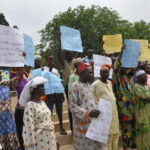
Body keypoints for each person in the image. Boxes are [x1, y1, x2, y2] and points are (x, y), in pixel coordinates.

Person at [68, 62, 106, 150]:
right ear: (82, 73)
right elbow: (72, 107)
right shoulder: (74, 86)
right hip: (82, 126)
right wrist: (88, 113)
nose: (92, 75)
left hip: (93, 124)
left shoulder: (89, 86)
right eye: (90, 72)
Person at [19, 76, 57, 150]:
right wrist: (30, 146)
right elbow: (28, 127)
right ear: (34, 89)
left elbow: (49, 121)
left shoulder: (43, 102)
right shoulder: (30, 105)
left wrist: (55, 140)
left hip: (50, 138)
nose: (44, 88)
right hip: (39, 141)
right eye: (41, 87)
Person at [91, 64, 119, 150]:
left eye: (107, 73)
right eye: (104, 73)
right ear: (100, 73)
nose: (106, 74)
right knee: (108, 137)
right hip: (104, 113)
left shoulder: (110, 82)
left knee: (115, 135)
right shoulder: (95, 84)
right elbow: (92, 98)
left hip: (114, 112)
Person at [113, 58, 136, 150]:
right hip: (124, 112)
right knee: (126, 133)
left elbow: (133, 68)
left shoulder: (126, 77)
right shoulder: (116, 79)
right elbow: (116, 67)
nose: (125, 68)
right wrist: (122, 54)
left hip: (132, 110)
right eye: (122, 67)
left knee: (133, 132)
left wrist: (134, 56)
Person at [0, 71, 20, 150]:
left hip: (8, 120)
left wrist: (18, 65)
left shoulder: (6, 83)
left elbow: (19, 77)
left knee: (11, 144)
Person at [133, 70, 150, 150]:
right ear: (139, 78)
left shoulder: (146, 86)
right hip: (141, 114)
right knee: (142, 133)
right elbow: (144, 97)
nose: (146, 77)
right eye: (144, 76)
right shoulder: (136, 86)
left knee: (148, 134)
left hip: (148, 113)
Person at [68, 58, 82, 133]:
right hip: (75, 101)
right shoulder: (72, 77)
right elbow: (71, 90)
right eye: (79, 64)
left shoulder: (83, 75)